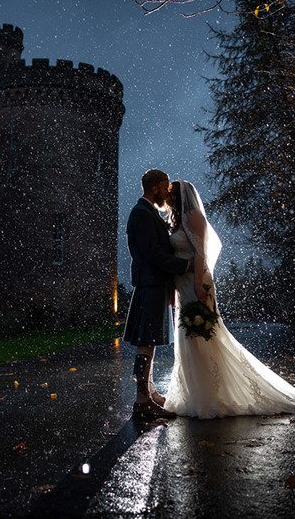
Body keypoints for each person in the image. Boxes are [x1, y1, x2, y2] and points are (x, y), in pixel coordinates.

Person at [163, 180, 295, 418]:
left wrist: (196, 283)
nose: (168, 196)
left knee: (203, 336)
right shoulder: (178, 219)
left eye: (172, 192)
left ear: (182, 195)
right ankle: (195, 394)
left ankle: (210, 397)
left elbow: (201, 252)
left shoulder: (193, 216)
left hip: (196, 283)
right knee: (188, 338)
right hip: (183, 286)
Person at [123, 169, 193, 419]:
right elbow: (153, 254)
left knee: (148, 343)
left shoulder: (148, 212)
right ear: (155, 188)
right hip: (150, 285)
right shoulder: (141, 214)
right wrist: (185, 266)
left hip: (155, 285)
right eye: (165, 187)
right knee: (146, 343)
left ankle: (149, 393)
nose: (167, 192)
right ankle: (142, 401)